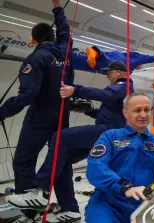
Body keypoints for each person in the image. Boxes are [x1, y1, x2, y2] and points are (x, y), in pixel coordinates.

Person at [5, 61, 134, 223]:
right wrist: (88, 110)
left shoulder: (125, 85)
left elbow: (106, 95)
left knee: (60, 137)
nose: (107, 75)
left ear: (120, 72)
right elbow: (110, 112)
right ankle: (71, 209)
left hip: (108, 132)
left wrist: (75, 90)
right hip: (107, 130)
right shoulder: (120, 90)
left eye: (110, 72)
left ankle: (41, 191)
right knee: (62, 159)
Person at [0, 0, 74, 221]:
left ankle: (30, 212)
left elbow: (27, 95)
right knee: (60, 162)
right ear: (53, 38)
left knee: (23, 161)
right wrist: (57, 6)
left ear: (33, 41)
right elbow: (65, 30)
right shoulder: (65, 52)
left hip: (39, 120)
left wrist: (1, 113)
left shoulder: (36, 59)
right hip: (62, 119)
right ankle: (70, 208)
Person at [84, 92, 154, 223]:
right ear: (125, 113)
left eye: (146, 110)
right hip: (107, 203)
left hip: (143, 206)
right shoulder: (110, 137)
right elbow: (96, 168)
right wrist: (124, 187)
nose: (143, 115)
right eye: (137, 110)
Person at [74, 45, 154, 72]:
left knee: (90, 64)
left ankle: (72, 60)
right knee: (111, 64)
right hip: (120, 60)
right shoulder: (139, 58)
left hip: (115, 56)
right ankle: (94, 51)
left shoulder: (132, 67)